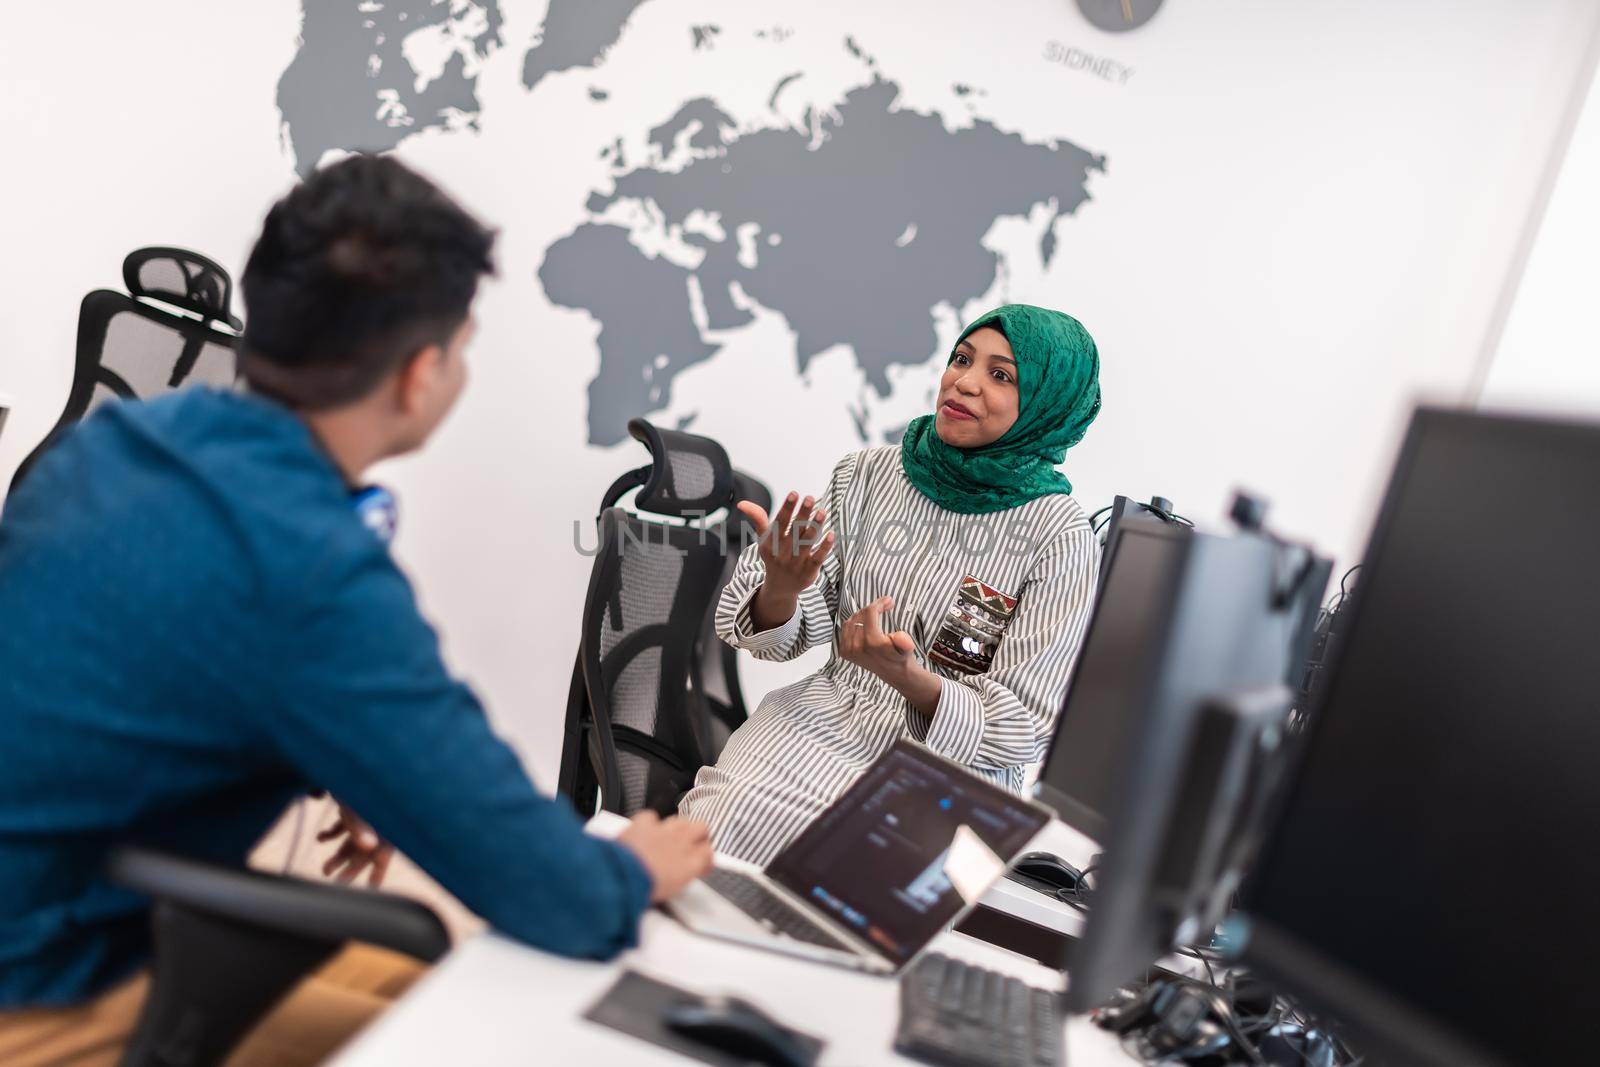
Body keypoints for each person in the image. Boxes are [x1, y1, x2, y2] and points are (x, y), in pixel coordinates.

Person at [0, 154, 712, 1067]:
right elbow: (555, 893)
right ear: (421, 375)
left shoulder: (120, 443)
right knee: (491, 1028)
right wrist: (633, 868)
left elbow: (145, 674)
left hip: (57, 899)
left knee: (398, 973)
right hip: (43, 990)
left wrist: (335, 755)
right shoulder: (311, 565)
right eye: (460, 348)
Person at [677, 304, 1103, 864]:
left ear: (1049, 405)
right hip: (818, 727)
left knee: (866, 887)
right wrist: (781, 586)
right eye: (961, 358)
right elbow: (770, 636)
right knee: (715, 833)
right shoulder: (865, 475)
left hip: (951, 776)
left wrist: (911, 680)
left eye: (1001, 375)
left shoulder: (1061, 535)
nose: (965, 382)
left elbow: (1025, 726)